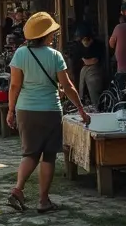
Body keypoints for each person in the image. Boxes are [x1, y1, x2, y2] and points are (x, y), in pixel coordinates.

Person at [6, 12, 90, 214]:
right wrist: (80, 108)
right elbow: (67, 86)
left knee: (30, 153)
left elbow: (15, 85)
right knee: (48, 156)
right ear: (46, 35)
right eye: (51, 32)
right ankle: (43, 200)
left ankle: (18, 189)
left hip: (26, 109)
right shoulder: (55, 56)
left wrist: (10, 110)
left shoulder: (20, 54)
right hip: (50, 109)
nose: (53, 35)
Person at [76, 28, 106, 106]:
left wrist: (87, 62)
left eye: (87, 40)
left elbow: (94, 60)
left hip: (95, 71)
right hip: (85, 72)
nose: (85, 42)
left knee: (95, 95)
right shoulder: (79, 47)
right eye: (83, 40)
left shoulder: (97, 45)